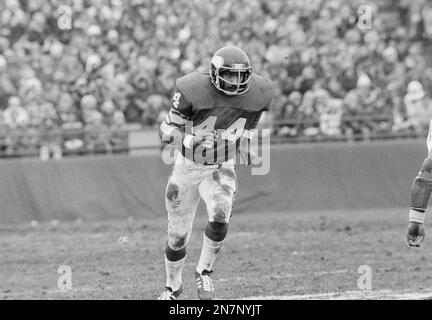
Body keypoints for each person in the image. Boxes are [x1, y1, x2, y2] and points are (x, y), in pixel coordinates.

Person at [158, 46, 273, 300]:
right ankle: (172, 287)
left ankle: (204, 272)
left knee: (220, 213)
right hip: (187, 167)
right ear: (214, 73)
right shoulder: (191, 90)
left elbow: (252, 118)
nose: (235, 81)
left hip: (221, 164)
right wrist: (191, 139)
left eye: (240, 75)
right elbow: (165, 131)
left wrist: (246, 138)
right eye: (229, 75)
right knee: (177, 237)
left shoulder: (260, 92)